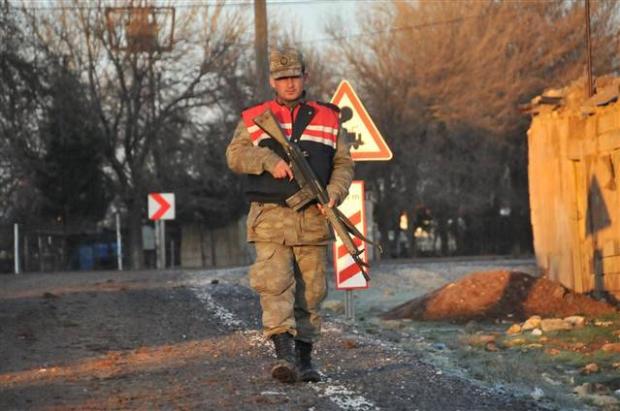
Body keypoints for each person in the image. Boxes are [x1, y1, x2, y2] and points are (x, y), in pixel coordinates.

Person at [226, 48, 354, 383]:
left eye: (295, 76)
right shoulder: (256, 117)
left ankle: (305, 358)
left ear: (305, 77)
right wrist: (268, 161)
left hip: (313, 218)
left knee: (311, 292)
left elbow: (343, 164)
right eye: (282, 78)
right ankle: (283, 357)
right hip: (270, 217)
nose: (290, 84)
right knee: (275, 285)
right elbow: (235, 155)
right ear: (272, 81)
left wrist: (334, 194)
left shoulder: (328, 118)